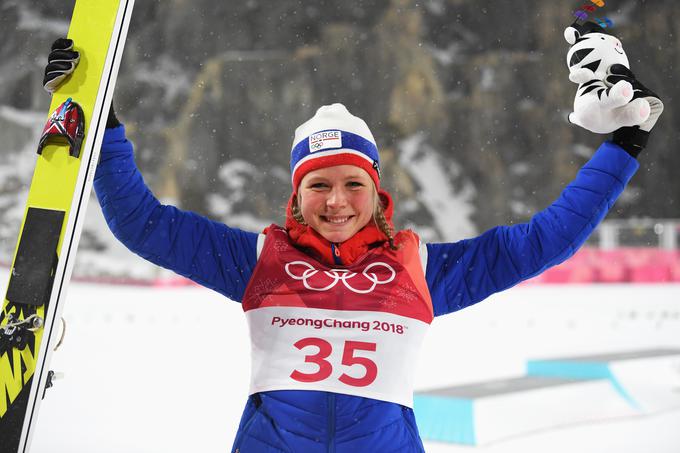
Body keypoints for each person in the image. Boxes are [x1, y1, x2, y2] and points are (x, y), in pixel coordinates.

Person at [42, 22, 662, 452]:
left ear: (376, 191)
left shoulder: (421, 267)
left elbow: (540, 241)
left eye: (351, 184)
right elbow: (141, 222)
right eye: (318, 186)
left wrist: (624, 145)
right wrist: (103, 116)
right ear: (297, 194)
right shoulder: (261, 260)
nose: (336, 201)